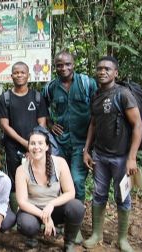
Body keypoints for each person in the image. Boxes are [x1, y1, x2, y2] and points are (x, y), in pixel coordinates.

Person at [83, 56, 142, 252]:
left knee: (122, 196)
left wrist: (132, 157)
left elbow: (137, 126)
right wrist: (86, 150)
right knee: (99, 194)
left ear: (116, 72)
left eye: (107, 69)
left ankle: (122, 239)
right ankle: (97, 234)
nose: (102, 71)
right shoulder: (97, 95)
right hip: (100, 155)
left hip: (121, 157)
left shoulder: (123, 95)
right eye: (99, 68)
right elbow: (93, 123)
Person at [15, 126, 85, 251]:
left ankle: (69, 242)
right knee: (27, 224)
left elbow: (70, 192)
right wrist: (44, 216)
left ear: (47, 147)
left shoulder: (60, 163)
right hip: (33, 211)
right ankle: (32, 239)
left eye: (40, 143)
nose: (36, 147)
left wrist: (51, 204)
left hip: (54, 208)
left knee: (76, 207)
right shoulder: (22, 170)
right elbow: (22, 202)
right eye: (32, 143)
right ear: (28, 147)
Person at [41, 50, 97, 204]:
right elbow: (42, 109)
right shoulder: (50, 87)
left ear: (74, 65)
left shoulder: (87, 83)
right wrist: (50, 124)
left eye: (67, 64)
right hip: (60, 142)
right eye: (59, 65)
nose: (63, 68)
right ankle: (61, 216)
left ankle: (75, 219)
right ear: (55, 67)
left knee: (77, 180)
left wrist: (90, 145)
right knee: (57, 180)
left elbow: (96, 112)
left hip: (82, 142)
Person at [0, 61, 48, 212]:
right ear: (11, 76)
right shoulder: (5, 98)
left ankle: (38, 212)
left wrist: (33, 146)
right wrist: (25, 144)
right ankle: (17, 214)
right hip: (12, 148)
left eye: (22, 72)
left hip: (36, 148)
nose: (19, 75)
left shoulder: (37, 97)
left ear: (28, 75)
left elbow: (42, 123)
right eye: (16, 73)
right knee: (14, 180)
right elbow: (5, 126)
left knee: (37, 178)